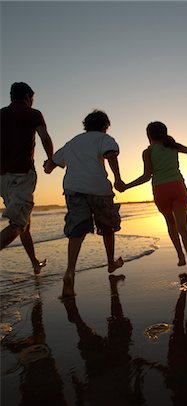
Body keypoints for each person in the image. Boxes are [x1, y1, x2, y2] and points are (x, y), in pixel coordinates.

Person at [43, 109, 125, 297]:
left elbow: (49, 167)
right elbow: (111, 155)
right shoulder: (104, 138)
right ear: (105, 126)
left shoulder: (72, 142)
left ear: (85, 126)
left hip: (74, 190)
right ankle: (111, 263)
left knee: (77, 229)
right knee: (107, 227)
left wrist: (48, 165)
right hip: (99, 189)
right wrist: (118, 179)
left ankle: (70, 271)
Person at [119, 121, 187, 284]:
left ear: (149, 136)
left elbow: (146, 176)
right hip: (178, 187)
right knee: (183, 227)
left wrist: (126, 186)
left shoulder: (147, 152)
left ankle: (180, 255)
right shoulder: (173, 146)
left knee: (170, 223)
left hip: (161, 190)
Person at [0, 82, 54, 274]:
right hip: (21, 174)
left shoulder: (1, 114)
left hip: (2, 179)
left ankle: (34, 263)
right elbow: (45, 137)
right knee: (18, 224)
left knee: (24, 223)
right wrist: (51, 160)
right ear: (27, 96)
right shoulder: (33, 114)